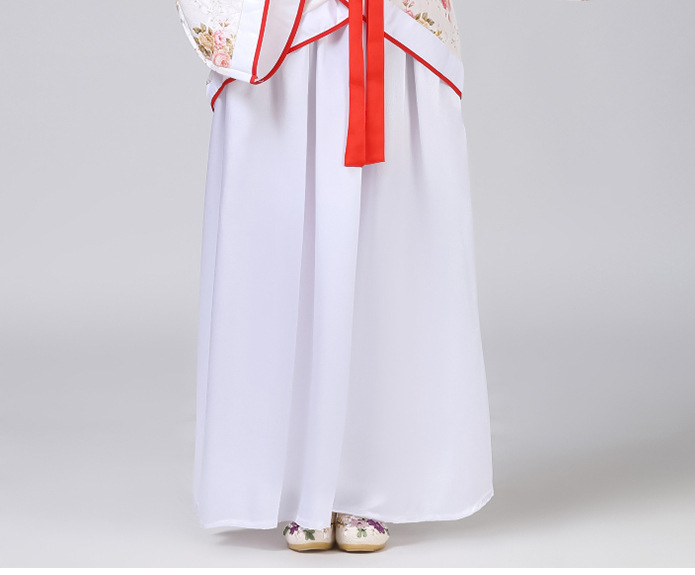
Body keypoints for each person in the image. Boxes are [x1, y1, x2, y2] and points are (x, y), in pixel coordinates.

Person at [177, 0, 498, 552]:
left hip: (387, 29)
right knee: (275, 242)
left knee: (385, 247)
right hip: (280, 29)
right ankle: (289, 483)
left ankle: (366, 484)